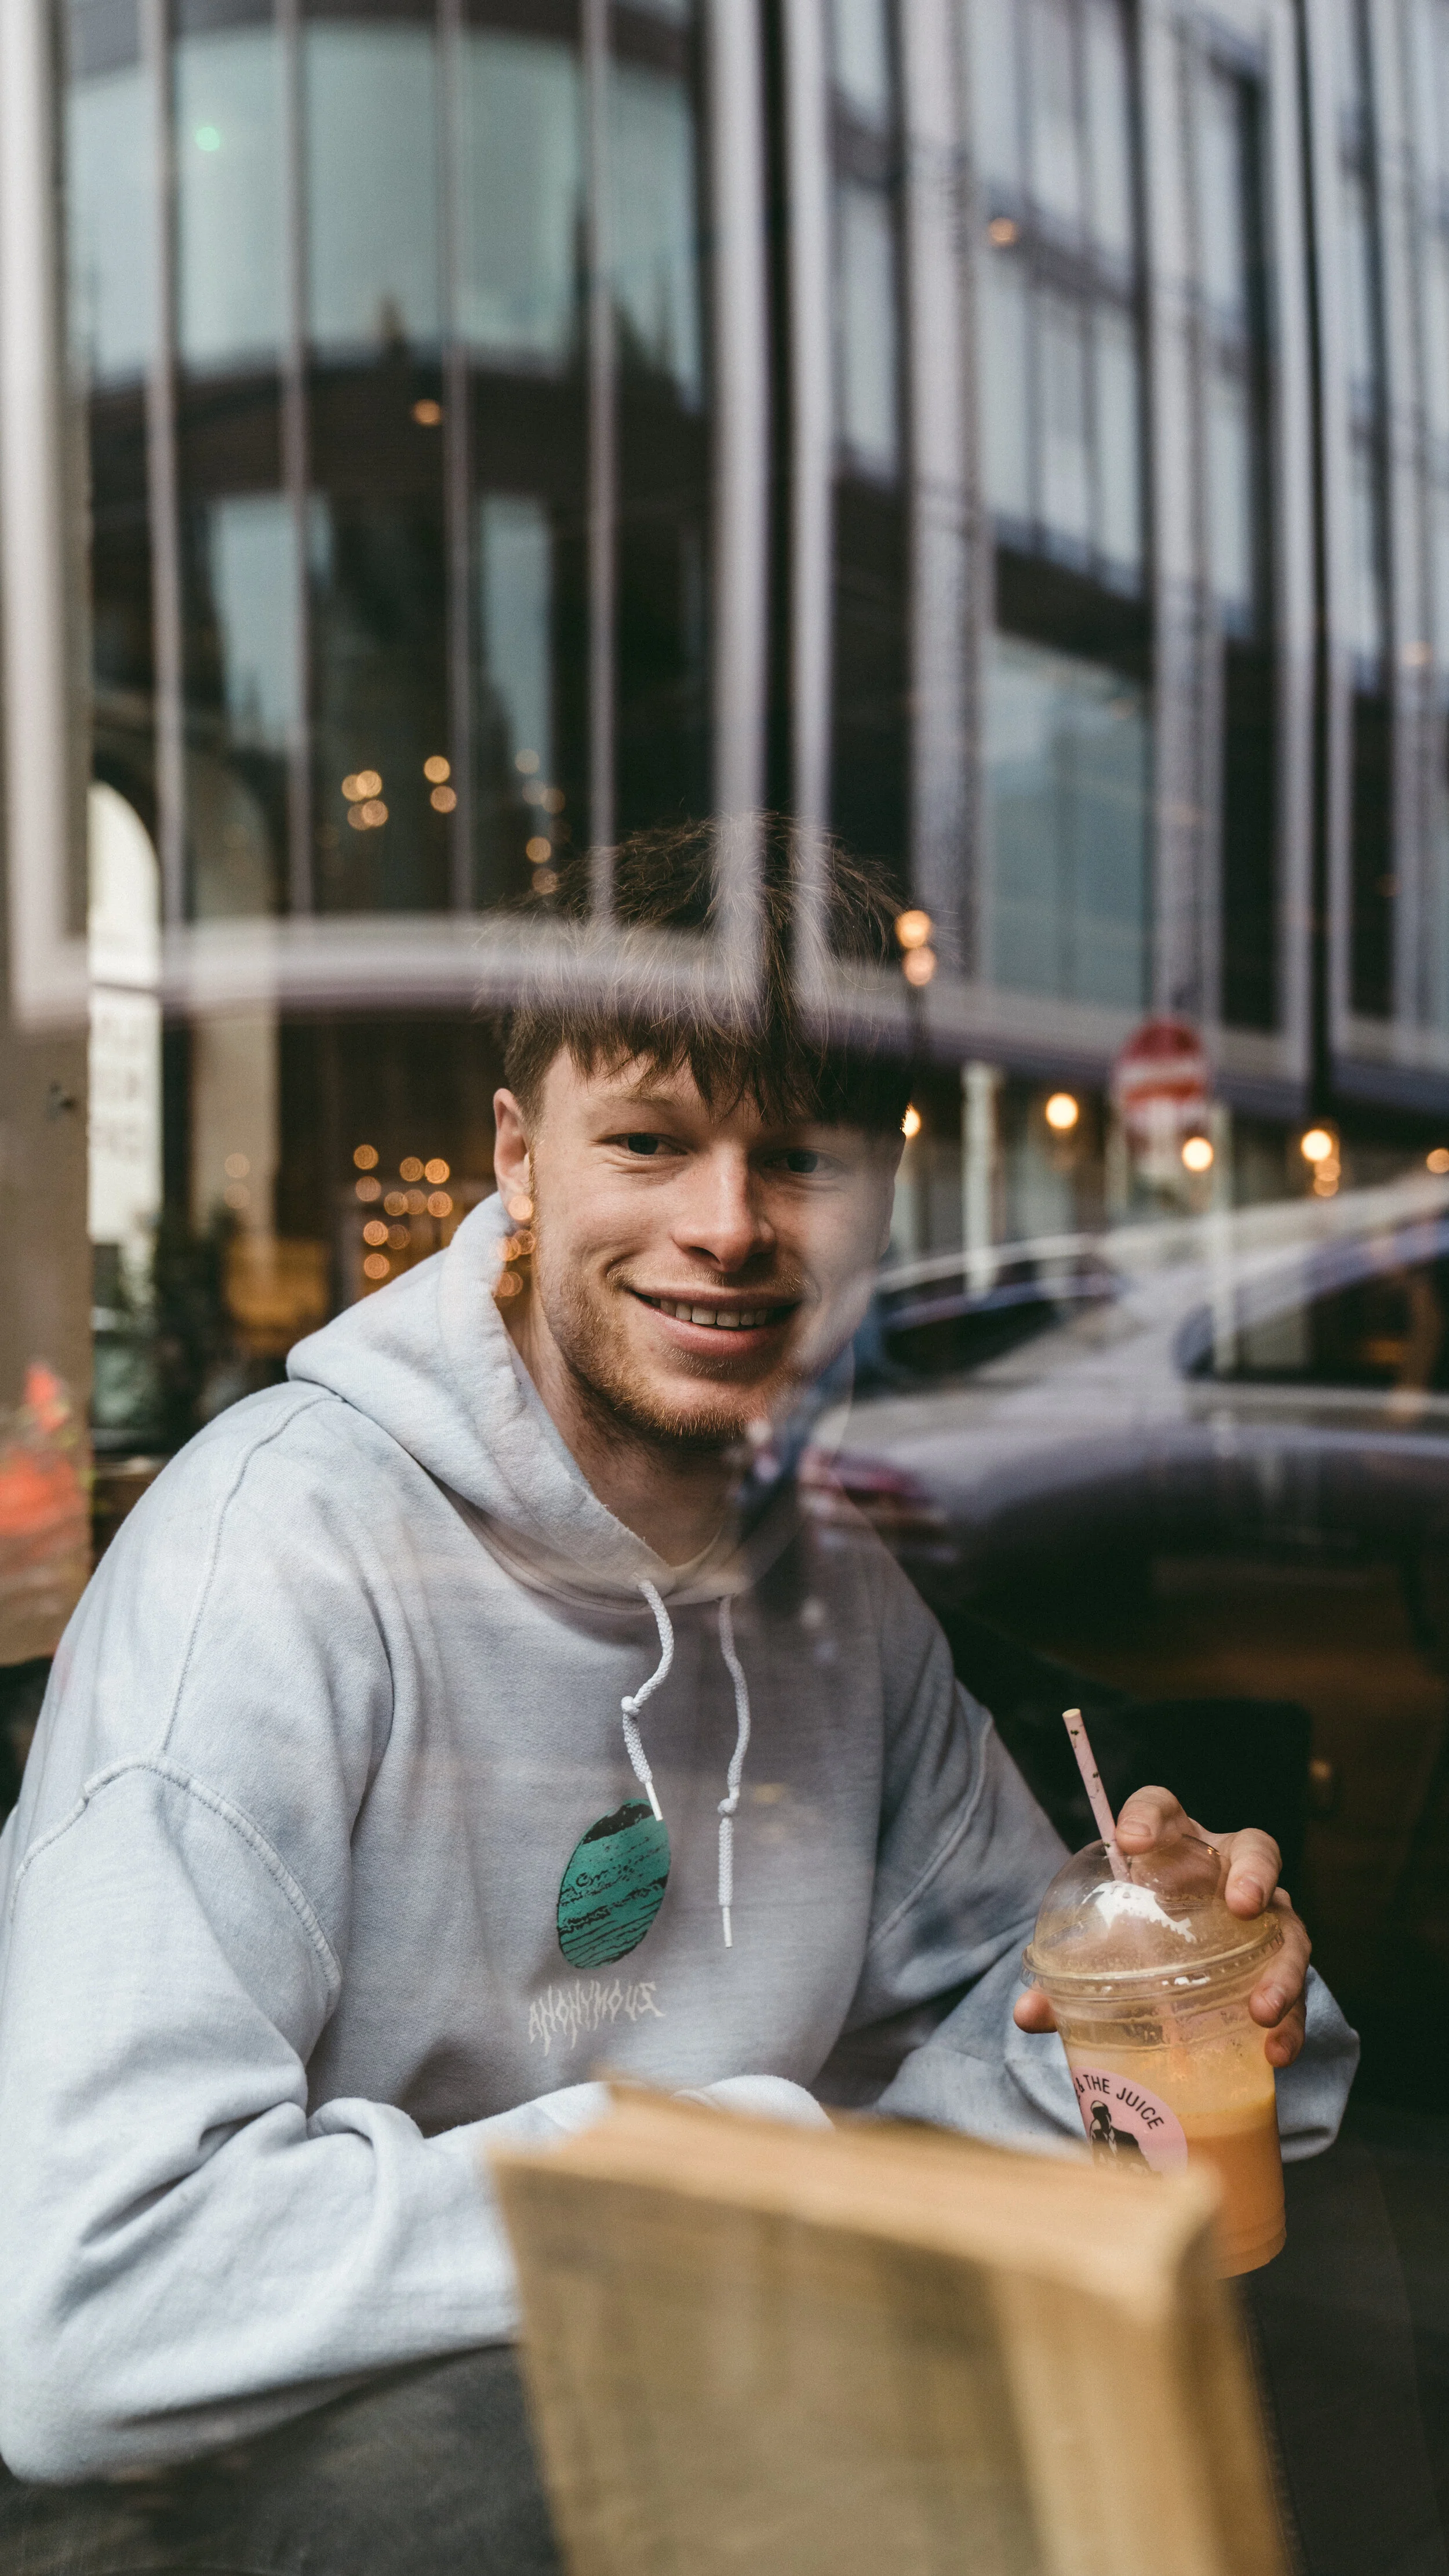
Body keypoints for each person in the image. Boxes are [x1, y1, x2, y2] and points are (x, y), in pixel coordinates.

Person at [0, 827, 1354, 2571]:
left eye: (797, 1158)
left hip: (709, 2454)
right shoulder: (269, 1565)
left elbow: (1003, 2092)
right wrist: (722, 2165)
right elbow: (90, 2309)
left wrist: (1171, 1975)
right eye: (648, 1142)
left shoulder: (836, 1596)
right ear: (520, 1162)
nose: (728, 1227)